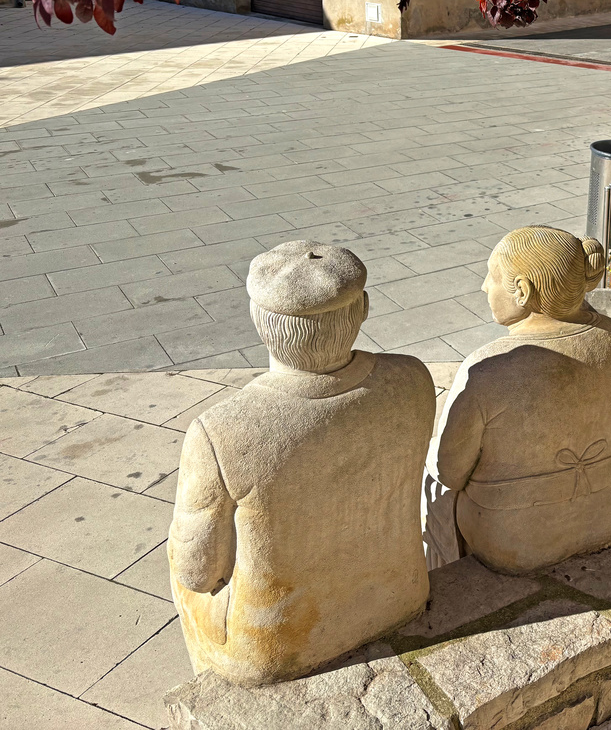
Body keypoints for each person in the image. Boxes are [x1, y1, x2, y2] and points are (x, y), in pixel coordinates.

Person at [168, 241, 435, 686]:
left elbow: (198, 573)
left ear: (259, 322)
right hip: (400, 597)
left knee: (181, 550)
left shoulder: (221, 431)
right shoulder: (412, 378)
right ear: (363, 308)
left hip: (274, 647)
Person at [426, 226, 611, 575]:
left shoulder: (488, 368)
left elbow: (450, 472)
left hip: (513, 544)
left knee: (431, 482)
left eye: (492, 276)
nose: (484, 286)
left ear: (523, 290)